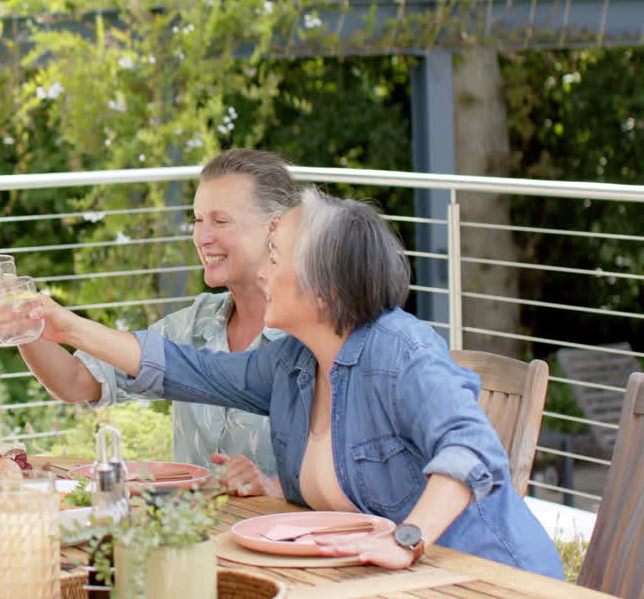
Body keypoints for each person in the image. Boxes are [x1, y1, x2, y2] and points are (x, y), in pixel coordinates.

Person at [35, 187, 564, 578]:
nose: (261, 272)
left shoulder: (401, 350)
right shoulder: (294, 362)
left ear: (325, 287)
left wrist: (408, 539)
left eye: (275, 258)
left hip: (488, 581)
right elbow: (184, 368)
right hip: (387, 583)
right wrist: (65, 325)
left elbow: (472, 447)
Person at [19, 149, 297, 493]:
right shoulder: (192, 325)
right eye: (197, 220)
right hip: (188, 535)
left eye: (220, 221)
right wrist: (23, 322)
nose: (201, 237)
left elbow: (355, 474)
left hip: (281, 537)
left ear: (276, 228)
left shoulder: (312, 334)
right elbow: (76, 382)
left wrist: (273, 486)